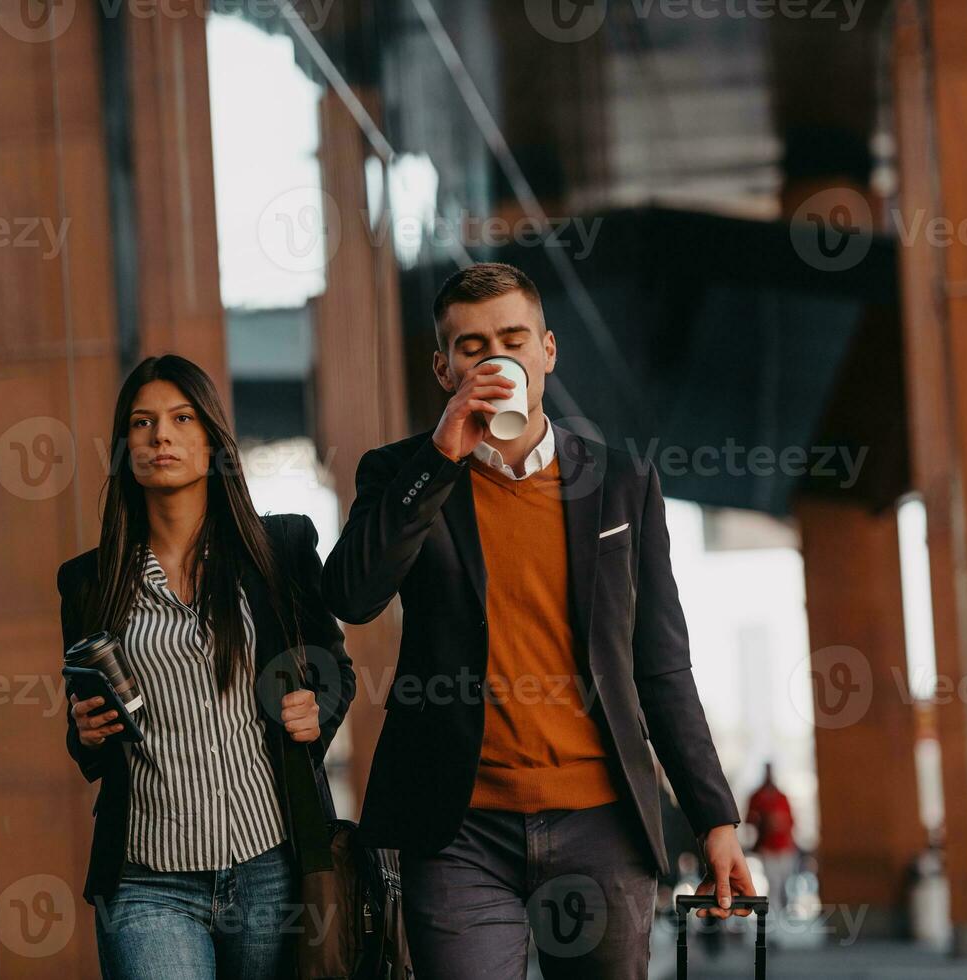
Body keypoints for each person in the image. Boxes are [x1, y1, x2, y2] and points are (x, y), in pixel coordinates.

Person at [322, 262, 754, 979]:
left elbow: (661, 664)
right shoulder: (402, 473)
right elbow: (353, 593)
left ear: (547, 351)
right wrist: (439, 457)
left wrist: (715, 817)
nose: (495, 358)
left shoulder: (621, 483)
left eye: (513, 338)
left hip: (600, 822)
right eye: (471, 347)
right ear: (443, 366)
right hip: (456, 830)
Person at [58, 354, 356, 980]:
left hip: (269, 865)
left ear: (212, 440)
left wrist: (314, 710)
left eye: (180, 418)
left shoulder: (280, 550)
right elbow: (89, 732)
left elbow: (334, 671)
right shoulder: (89, 583)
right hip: (147, 881)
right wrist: (83, 732)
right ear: (124, 448)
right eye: (141, 423)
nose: (159, 435)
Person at [745, 762, 798, 915]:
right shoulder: (757, 797)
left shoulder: (782, 797)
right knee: (773, 884)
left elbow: (791, 822)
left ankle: (784, 915)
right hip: (767, 848)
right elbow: (749, 819)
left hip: (784, 848)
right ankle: (774, 917)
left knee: (783, 885)